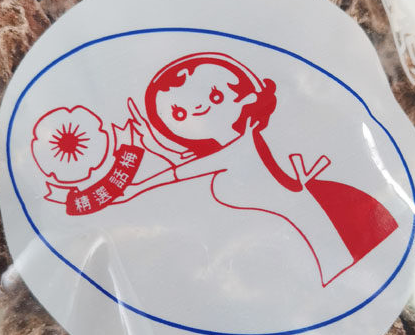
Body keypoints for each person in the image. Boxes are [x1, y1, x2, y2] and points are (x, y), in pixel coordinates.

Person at [119, 52, 397, 286]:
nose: (200, 109)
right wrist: (150, 145)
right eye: (180, 113)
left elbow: (176, 173)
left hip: (313, 224)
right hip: (296, 231)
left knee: (347, 273)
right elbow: (182, 167)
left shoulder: (235, 147)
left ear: (245, 95)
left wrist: (133, 188)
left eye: (215, 96)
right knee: (343, 273)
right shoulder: (234, 145)